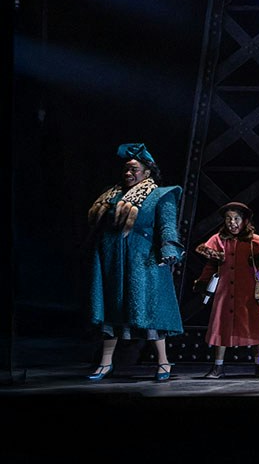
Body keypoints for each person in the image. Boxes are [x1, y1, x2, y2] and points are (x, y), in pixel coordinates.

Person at [86, 143, 184, 382]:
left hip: (143, 263)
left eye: (134, 168)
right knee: (111, 311)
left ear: (147, 171)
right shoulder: (111, 195)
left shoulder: (161, 194)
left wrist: (169, 249)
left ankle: (163, 363)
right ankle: (105, 363)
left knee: (150, 309)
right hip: (112, 261)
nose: (128, 173)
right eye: (126, 169)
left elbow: (167, 226)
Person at [193, 201, 259, 378]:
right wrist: (202, 282)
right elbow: (210, 266)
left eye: (236, 218)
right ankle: (217, 367)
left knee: (255, 327)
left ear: (244, 220)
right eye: (228, 219)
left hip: (250, 292)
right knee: (221, 326)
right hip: (225, 292)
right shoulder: (218, 240)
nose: (232, 223)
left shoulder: (255, 241)